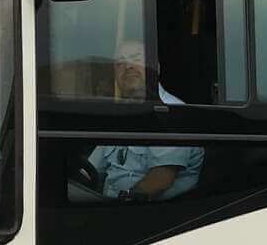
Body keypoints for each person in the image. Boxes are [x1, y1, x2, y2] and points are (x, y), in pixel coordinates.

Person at [87, 39, 203, 201]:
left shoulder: (173, 112)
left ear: (156, 68)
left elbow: (160, 180)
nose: (128, 66)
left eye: (136, 58)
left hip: (154, 215)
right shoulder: (122, 113)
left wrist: (122, 205)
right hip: (107, 204)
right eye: (120, 63)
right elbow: (91, 168)